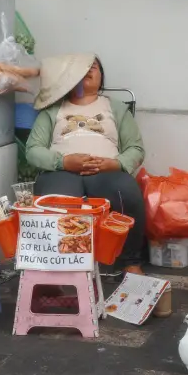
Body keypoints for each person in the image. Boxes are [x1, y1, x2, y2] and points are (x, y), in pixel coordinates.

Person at [26, 53, 146, 272]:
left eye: (95, 67)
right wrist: (63, 162)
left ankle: (131, 262)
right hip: (61, 170)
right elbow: (33, 150)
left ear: (102, 78)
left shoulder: (116, 108)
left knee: (126, 193)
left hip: (106, 170)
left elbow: (135, 149)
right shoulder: (53, 110)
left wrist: (115, 164)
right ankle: (61, 268)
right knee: (56, 201)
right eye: (83, 67)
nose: (90, 69)